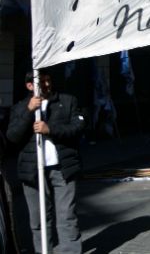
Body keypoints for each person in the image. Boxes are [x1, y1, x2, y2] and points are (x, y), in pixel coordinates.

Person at [7, 72, 84, 254]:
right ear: (30, 86)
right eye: (41, 82)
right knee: (39, 218)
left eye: (49, 80)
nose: (47, 84)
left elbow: (78, 127)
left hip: (63, 168)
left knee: (67, 216)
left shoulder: (67, 101)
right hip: (32, 171)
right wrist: (29, 111)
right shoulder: (19, 108)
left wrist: (50, 129)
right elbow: (12, 136)